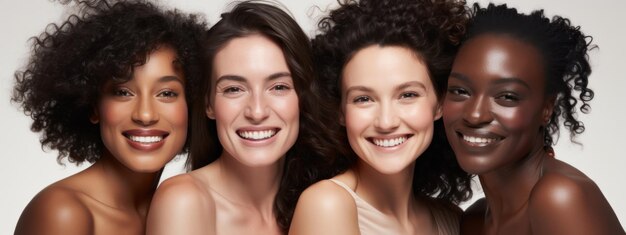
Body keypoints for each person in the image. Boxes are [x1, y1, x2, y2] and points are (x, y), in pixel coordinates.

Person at [11, 0, 205, 234]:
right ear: (93, 106)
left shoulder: (180, 212)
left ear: (191, 103)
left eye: (166, 93)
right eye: (123, 92)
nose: (145, 114)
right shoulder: (63, 213)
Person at [146, 1, 339, 234]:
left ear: (302, 97)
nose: (257, 112)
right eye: (234, 89)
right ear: (209, 104)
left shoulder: (323, 201)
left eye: (278, 87)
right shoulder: (183, 201)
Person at [289, 0, 472, 234]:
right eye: (363, 99)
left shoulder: (452, 217)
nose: (386, 122)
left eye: (407, 95)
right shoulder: (327, 205)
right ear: (340, 111)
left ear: (439, 103)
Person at [442, 3, 625, 234]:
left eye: (507, 96)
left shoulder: (559, 198)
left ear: (546, 108)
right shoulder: (474, 220)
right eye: (460, 91)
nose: (475, 114)